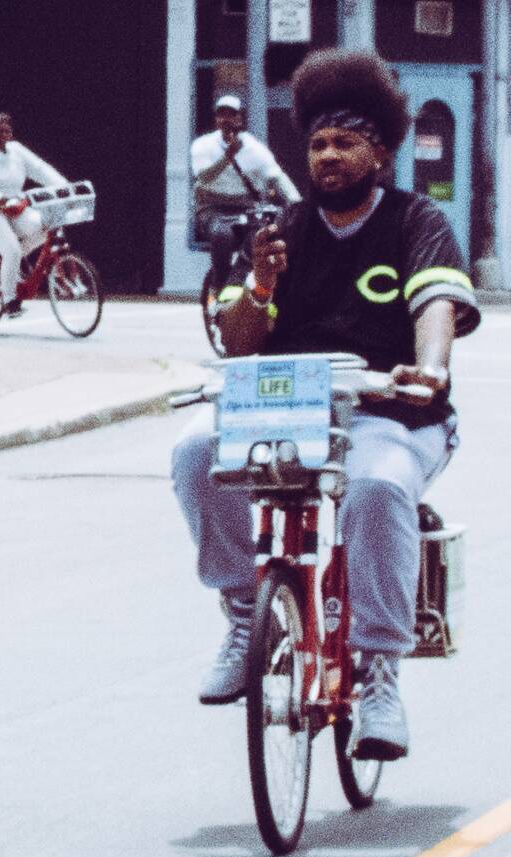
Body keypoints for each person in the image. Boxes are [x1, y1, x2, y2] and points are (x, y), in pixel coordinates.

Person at [176, 48, 479, 761]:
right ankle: (246, 613)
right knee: (192, 448)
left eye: (345, 141)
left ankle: (379, 675)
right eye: (317, 143)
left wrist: (430, 369)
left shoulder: (416, 222)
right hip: (289, 408)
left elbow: (437, 301)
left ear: (379, 149)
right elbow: (236, 341)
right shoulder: (279, 229)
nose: (329, 155)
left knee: (375, 486)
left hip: (390, 410)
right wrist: (259, 286)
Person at [0, 112, 70, 318]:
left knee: (44, 227)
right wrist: (0, 200)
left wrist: (64, 186)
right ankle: (9, 300)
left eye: (7, 130)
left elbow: (40, 169)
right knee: (11, 249)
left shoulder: (17, 151)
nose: (5, 135)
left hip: (15, 208)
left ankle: (9, 268)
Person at [190, 94, 302, 289]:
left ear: (240, 119)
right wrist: (228, 156)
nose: (226, 120)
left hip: (246, 208)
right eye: (221, 114)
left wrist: (298, 206)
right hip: (212, 208)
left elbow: (277, 177)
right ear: (216, 119)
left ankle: (245, 282)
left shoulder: (254, 147)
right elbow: (203, 178)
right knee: (222, 235)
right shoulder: (203, 145)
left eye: (231, 114)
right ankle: (219, 287)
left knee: (261, 236)